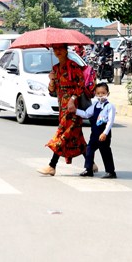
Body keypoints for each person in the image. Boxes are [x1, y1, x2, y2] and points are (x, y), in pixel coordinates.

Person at [37, 43, 88, 176]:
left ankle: (52, 165)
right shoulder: (55, 68)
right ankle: (90, 163)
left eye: (61, 49)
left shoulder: (73, 66)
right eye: (55, 49)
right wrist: (52, 80)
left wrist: (72, 99)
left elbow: (81, 85)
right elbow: (52, 91)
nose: (58, 51)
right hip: (62, 106)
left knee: (62, 134)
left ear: (66, 50)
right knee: (76, 137)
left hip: (72, 107)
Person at [75, 82, 117, 179]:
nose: (100, 95)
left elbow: (110, 121)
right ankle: (88, 169)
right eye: (98, 93)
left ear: (108, 93)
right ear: (95, 94)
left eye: (103, 93)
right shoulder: (94, 105)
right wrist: (75, 111)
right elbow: (86, 114)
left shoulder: (109, 106)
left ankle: (111, 172)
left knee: (105, 151)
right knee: (89, 149)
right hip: (94, 134)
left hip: (103, 134)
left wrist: (105, 133)